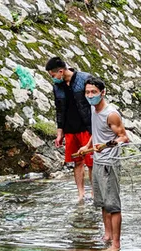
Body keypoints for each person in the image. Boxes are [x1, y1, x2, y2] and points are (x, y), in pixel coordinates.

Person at [77, 77, 129, 251]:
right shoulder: (93, 109)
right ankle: (107, 235)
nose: (90, 95)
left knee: (113, 205)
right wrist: (88, 145)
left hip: (110, 163)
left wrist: (105, 146)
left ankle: (116, 244)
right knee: (102, 203)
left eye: (94, 92)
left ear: (102, 93)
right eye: (87, 92)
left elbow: (123, 137)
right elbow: (97, 132)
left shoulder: (111, 114)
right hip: (98, 162)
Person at [46, 57, 94, 202]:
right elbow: (59, 110)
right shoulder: (57, 87)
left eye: (53, 76)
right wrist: (60, 132)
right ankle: (81, 194)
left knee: (92, 163)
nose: (53, 79)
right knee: (77, 162)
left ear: (61, 71)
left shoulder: (85, 79)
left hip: (87, 127)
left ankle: (94, 192)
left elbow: (94, 102)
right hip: (70, 129)